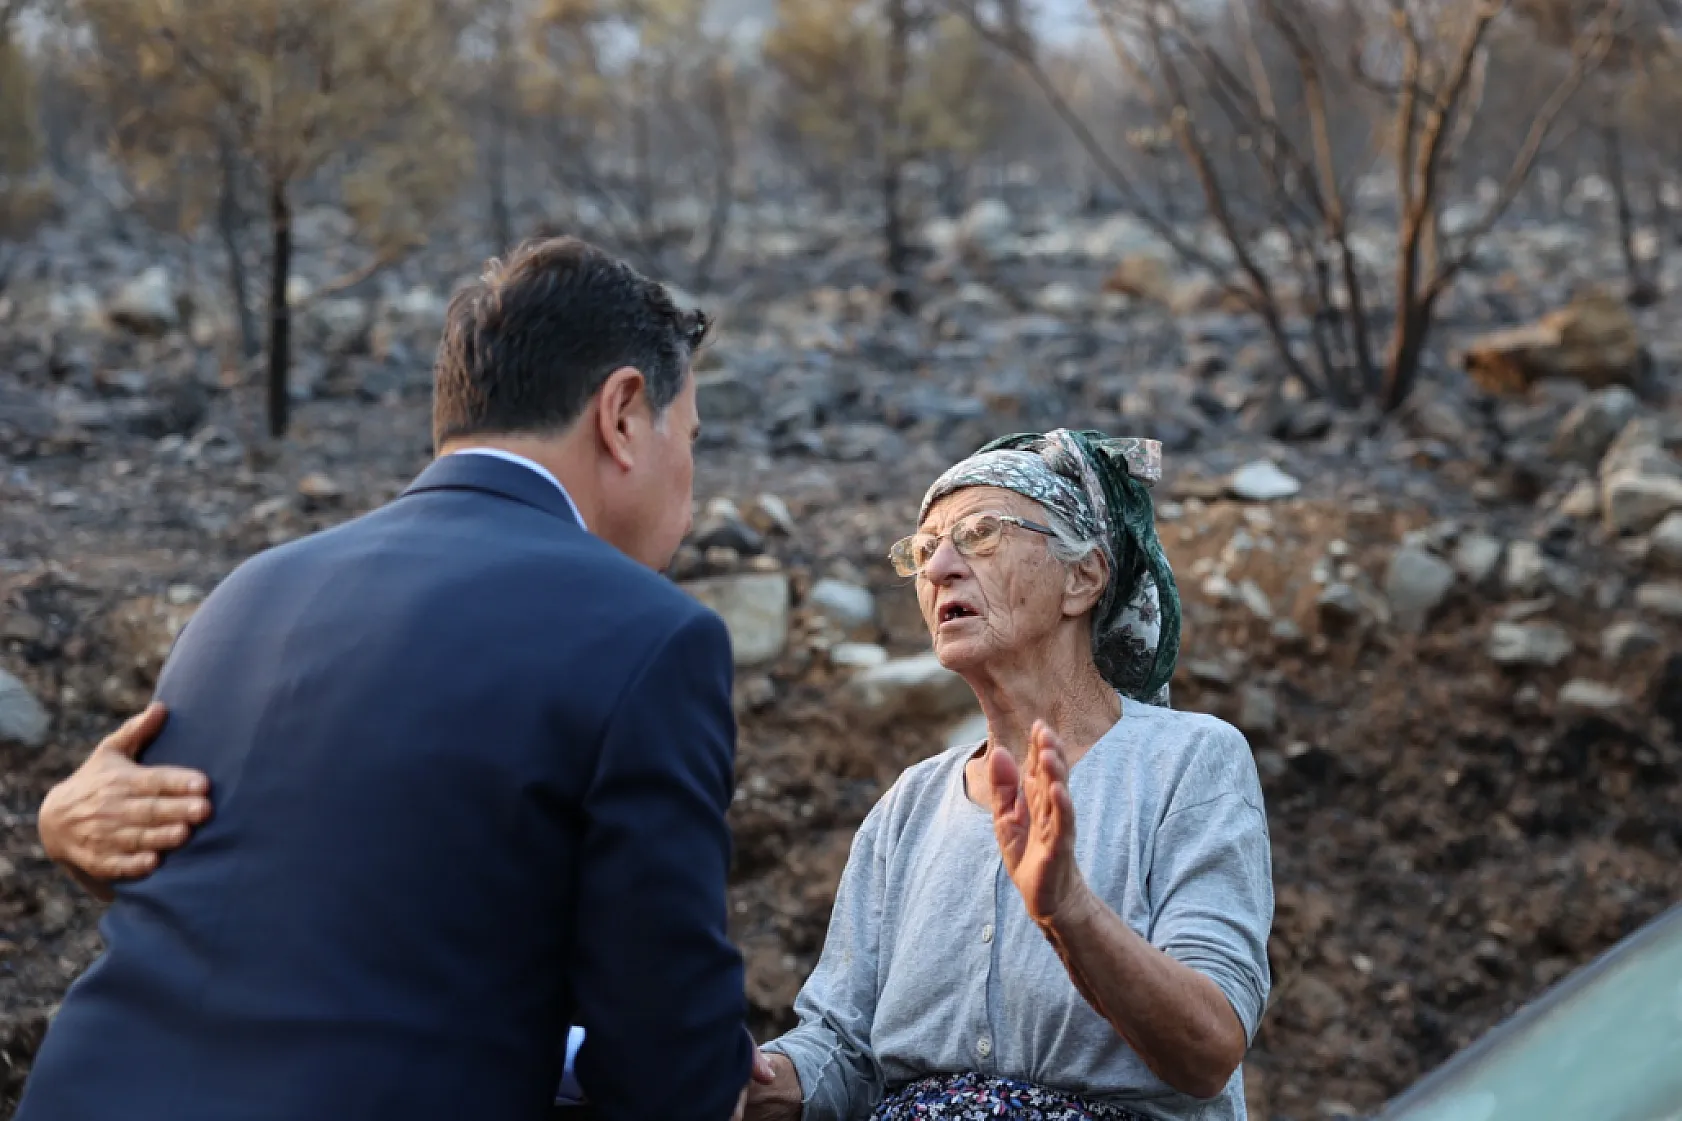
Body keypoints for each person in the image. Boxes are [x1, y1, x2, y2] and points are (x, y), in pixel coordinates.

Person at [45, 429, 1273, 1120]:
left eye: (983, 532)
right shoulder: (908, 805)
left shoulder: (1186, 762)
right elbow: (842, 1040)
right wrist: (766, 1077)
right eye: (922, 544)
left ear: (1082, 579)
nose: (938, 563)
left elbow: (1208, 1048)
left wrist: (1066, 910)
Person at [20, 236, 765, 1121]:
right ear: (623, 414)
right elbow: (668, 1068)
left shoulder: (249, 593)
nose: (689, 479)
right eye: (690, 438)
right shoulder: (650, 634)